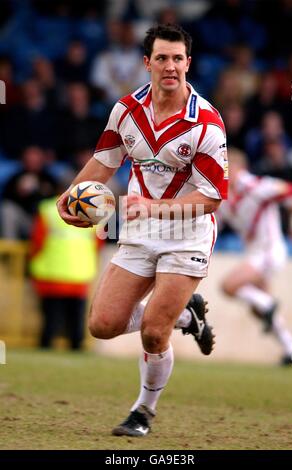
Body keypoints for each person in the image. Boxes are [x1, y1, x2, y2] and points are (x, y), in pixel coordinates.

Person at [57, 24, 228, 436]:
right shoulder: (126, 111)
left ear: (188, 62)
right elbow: (104, 161)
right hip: (140, 231)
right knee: (102, 324)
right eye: (162, 58)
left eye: (178, 58)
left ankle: (142, 412)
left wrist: (153, 206)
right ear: (147, 62)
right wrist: (72, 197)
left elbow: (211, 198)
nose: (171, 66)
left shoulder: (206, 123)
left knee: (154, 331)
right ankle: (187, 319)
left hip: (186, 233)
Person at [217, 148, 292, 365]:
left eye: (228, 166)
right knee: (257, 309)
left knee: (228, 286)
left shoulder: (255, 186)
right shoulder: (223, 194)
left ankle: (268, 304)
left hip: (270, 252)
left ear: (240, 168)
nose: (224, 170)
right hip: (255, 254)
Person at [29, 187, 102, 350]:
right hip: (79, 274)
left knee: (51, 318)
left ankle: (46, 345)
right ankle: (76, 346)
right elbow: (98, 243)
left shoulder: (47, 209)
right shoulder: (94, 210)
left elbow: (37, 240)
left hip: (52, 273)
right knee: (76, 319)